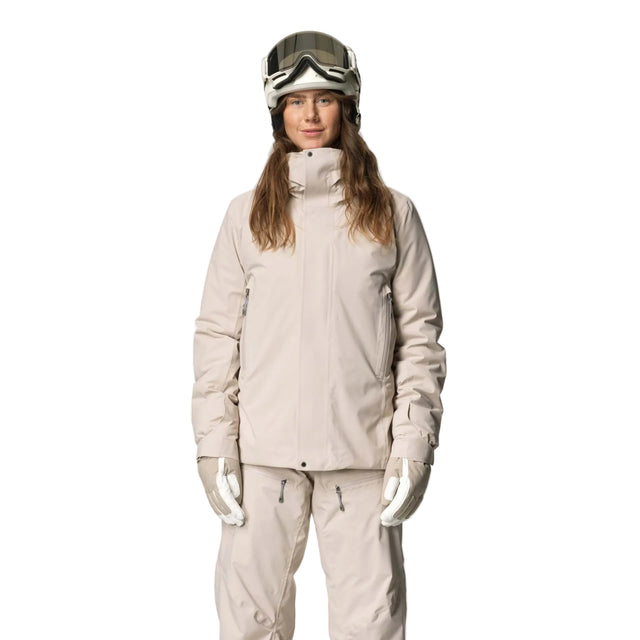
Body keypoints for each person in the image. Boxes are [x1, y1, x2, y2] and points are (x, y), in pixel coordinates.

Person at [191, 30, 447, 640]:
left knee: (371, 627)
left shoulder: (393, 214)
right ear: (277, 113)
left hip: (362, 461)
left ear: (348, 108)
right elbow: (218, 338)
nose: (310, 114)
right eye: (296, 101)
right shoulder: (246, 216)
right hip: (262, 461)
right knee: (248, 626)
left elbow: (420, 342)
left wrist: (412, 446)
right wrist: (214, 444)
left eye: (324, 99)